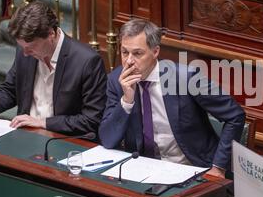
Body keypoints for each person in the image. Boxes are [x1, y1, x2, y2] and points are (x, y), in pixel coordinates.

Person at [98, 18, 245, 178]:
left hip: (193, 170)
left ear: (155, 52)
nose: (129, 61)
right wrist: (126, 101)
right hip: (143, 172)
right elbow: (107, 139)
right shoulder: (116, 80)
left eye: (137, 53)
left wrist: (218, 167)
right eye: (125, 52)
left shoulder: (187, 78)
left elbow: (235, 116)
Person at [0, 1, 107, 135]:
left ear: (51, 34)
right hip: (26, 133)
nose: (25, 53)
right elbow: (10, 90)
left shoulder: (87, 61)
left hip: (63, 139)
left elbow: (91, 119)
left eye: (30, 48)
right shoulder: (25, 49)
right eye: (22, 47)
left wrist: (43, 122)